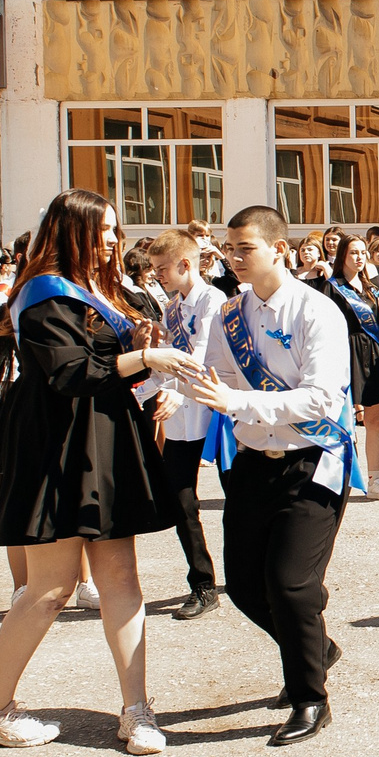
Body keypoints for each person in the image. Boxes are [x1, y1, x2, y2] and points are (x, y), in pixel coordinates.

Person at [0, 190, 195, 754]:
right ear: (72, 230)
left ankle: (137, 710)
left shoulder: (97, 287)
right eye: (103, 230)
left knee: (121, 578)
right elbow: (69, 373)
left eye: (115, 230)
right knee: (49, 589)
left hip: (106, 436)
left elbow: (106, 368)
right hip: (59, 445)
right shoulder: (44, 291)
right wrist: (145, 358)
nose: (114, 240)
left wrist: (141, 363)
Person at [175, 205, 362, 747]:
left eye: (245, 248)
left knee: (291, 584)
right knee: (243, 585)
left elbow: (321, 399)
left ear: (280, 249)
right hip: (255, 461)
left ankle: (309, 698)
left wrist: (239, 402)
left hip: (313, 459)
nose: (233, 258)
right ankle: (316, 649)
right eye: (229, 249)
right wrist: (164, 378)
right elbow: (215, 380)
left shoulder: (317, 311)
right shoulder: (228, 315)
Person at [146, 232, 225, 619]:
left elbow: (202, 355)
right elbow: (168, 361)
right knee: (181, 500)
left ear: (185, 264)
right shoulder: (172, 306)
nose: (157, 275)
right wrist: (144, 387)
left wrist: (176, 388)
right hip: (182, 416)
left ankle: (250, 573)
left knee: (238, 501)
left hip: (218, 413)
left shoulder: (213, 300)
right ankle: (203, 583)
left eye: (162, 268)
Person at [322, 233, 379, 500]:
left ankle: (374, 480)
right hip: (346, 354)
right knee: (343, 419)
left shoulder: (370, 286)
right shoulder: (332, 288)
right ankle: (339, 478)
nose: (359, 257)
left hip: (373, 355)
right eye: (353, 252)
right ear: (343, 256)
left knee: (374, 420)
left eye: (362, 252)